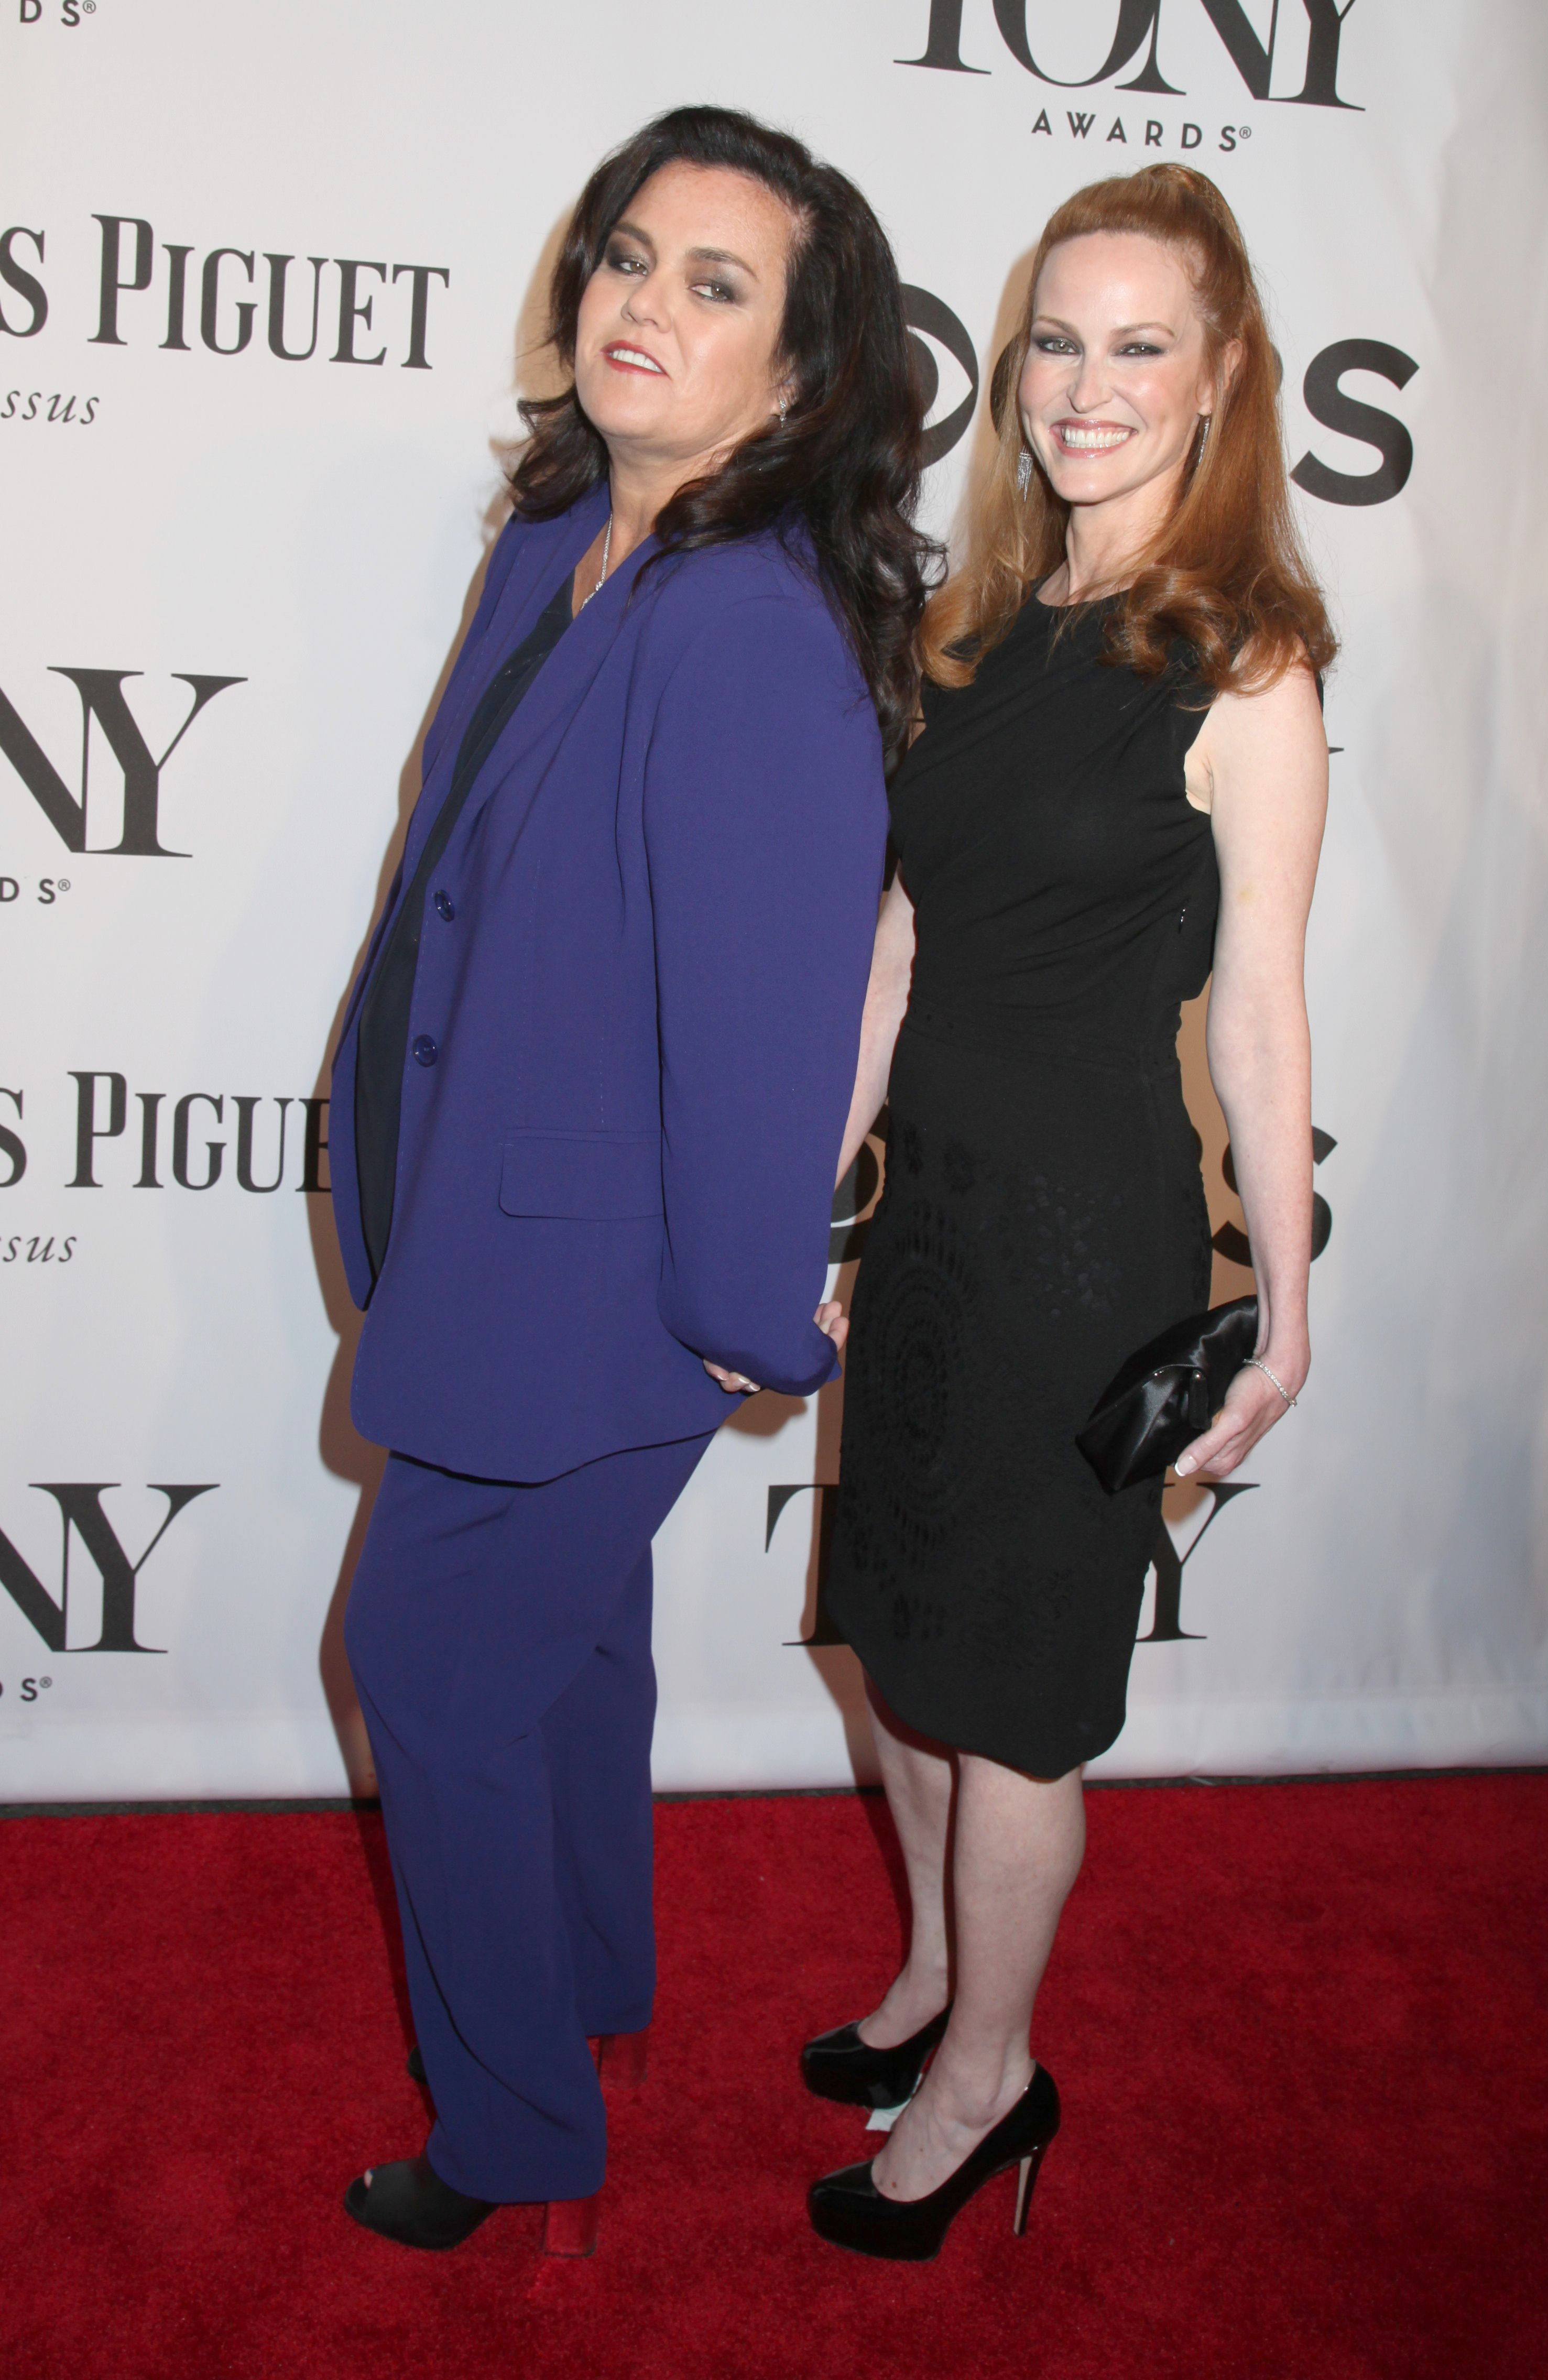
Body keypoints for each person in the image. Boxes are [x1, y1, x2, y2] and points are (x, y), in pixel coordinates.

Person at [328, 105, 931, 2254]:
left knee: (432, 1663)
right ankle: (588, 1982)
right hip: (484, 1232)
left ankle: (509, 2134)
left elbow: (763, 1029)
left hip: (611, 1282)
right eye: (626, 253)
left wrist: (743, 1313)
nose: (639, 305)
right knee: (559, 1652)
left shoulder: (750, 629)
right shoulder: (558, 538)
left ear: (800, 372)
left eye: (713, 282)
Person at [804, 164, 1335, 2260]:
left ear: (1218, 383)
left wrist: (1277, 1303)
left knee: (1012, 1697)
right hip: (928, 1216)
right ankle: (941, 1967)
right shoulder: (969, 621)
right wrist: (808, 1202)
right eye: (1054, 336)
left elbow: (1268, 1015)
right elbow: (893, 951)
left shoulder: (1242, 658)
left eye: (1140, 346)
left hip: (1077, 1246)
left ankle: (990, 2073)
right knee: (899, 1654)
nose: (1083, 385)